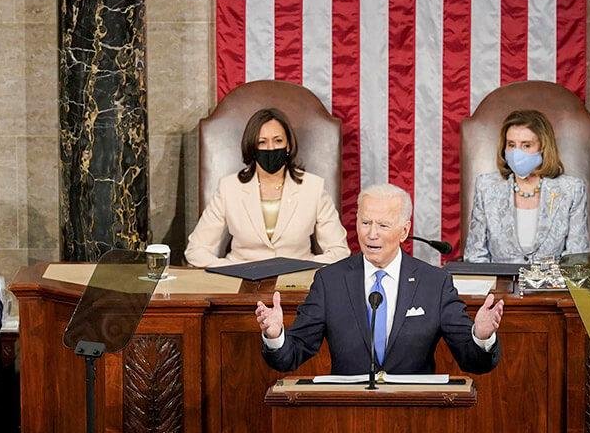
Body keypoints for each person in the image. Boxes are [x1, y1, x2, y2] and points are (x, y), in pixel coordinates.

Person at [256, 184, 504, 375]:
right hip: (347, 413)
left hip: (415, 412)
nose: (371, 234)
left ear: (404, 231)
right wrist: (275, 335)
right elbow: (291, 355)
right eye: (365, 222)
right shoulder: (330, 281)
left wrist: (482, 336)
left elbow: (473, 361)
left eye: (383, 225)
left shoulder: (434, 283)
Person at [186, 108, 350, 267]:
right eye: (262, 142)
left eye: (278, 141)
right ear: (252, 147)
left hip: (297, 279)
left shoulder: (314, 187)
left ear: (288, 145)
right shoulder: (229, 188)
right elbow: (196, 250)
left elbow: (339, 251)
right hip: (241, 278)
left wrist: (304, 269)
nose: (271, 148)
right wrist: (230, 269)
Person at [464, 109, 590, 263]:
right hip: (499, 278)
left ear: (543, 147)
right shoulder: (486, 187)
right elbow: (475, 256)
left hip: (551, 278)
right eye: (511, 145)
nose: (517, 153)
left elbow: (577, 259)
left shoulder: (572, 190)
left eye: (526, 145)